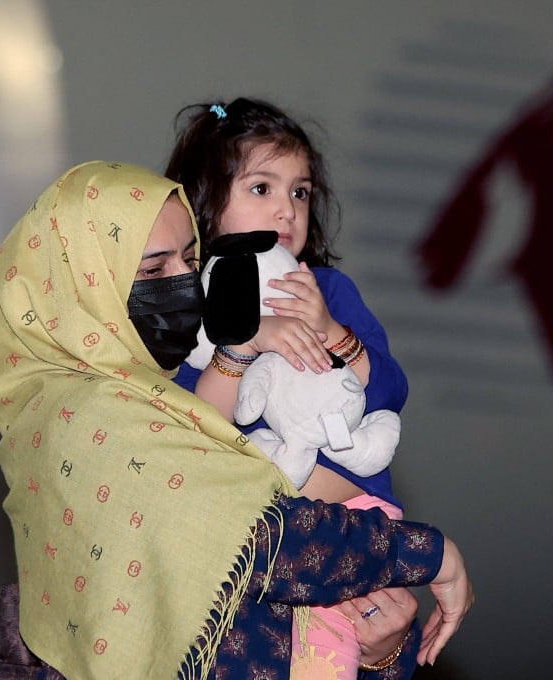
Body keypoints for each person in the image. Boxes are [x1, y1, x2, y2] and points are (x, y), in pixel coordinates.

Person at [0, 160, 473, 679]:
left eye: (189, 261)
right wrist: (427, 553)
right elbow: (257, 539)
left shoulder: (160, 399)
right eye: (153, 271)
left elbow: (253, 629)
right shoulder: (83, 416)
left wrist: (382, 656)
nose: (183, 284)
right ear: (81, 287)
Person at [166, 97, 412, 677]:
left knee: (335, 653)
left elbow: (390, 393)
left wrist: (335, 334)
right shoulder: (187, 310)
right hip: (247, 548)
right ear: (205, 202)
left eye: (299, 192)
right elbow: (196, 432)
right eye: (261, 189)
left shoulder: (325, 287)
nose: (286, 209)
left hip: (353, 521)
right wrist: (242, 345)